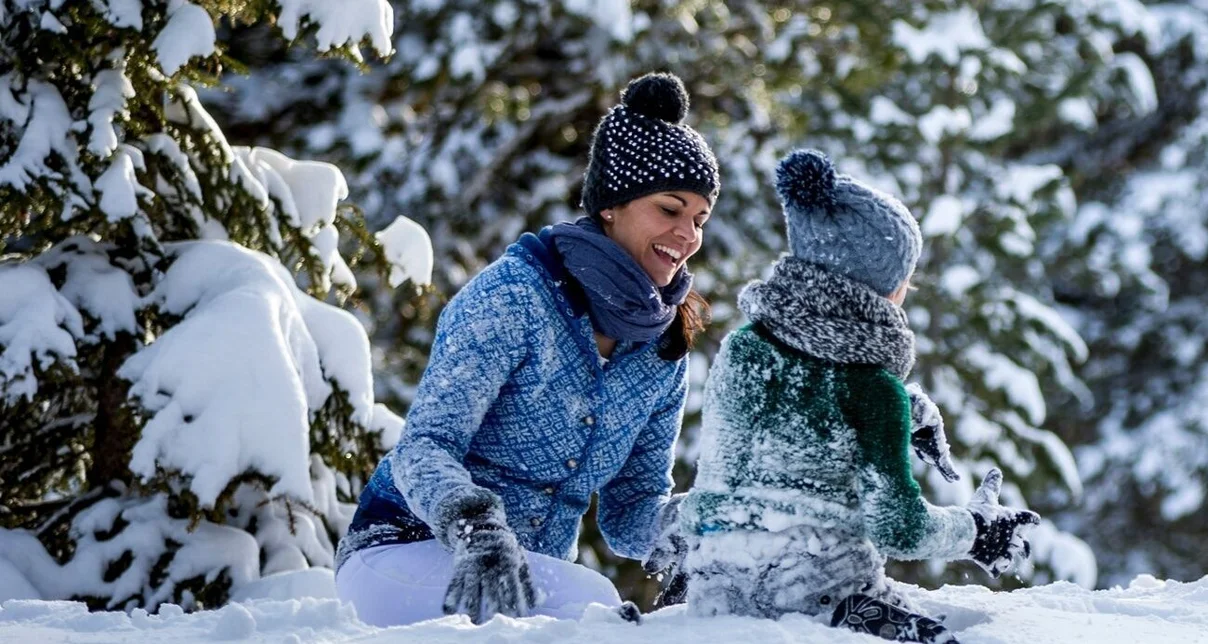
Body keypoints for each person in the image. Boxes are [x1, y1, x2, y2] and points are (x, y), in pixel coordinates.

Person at [332, 72, 719, 626]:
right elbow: (424, 448)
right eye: (669, 209)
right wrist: (478, 528)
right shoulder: (516, 296)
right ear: (611, 205)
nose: (687, 234)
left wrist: (694, 529)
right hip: (402, 550)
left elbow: (631, 513)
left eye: (699, 219)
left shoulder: (662, 349)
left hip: (528, 583)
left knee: (598, 614)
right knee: (597, 611)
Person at [662, 150, 1039, 644]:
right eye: (904, 279)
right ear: (879, 286)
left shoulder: (743, 348)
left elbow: (777, 444)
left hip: (716, 588)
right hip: (828, 599)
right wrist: (975, 530)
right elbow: (898, 530)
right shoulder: (871, 388)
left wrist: (907, 413)